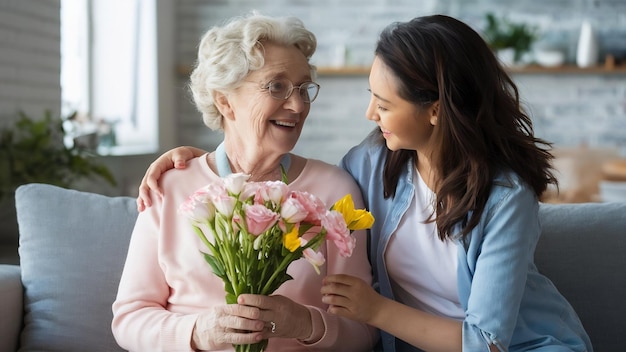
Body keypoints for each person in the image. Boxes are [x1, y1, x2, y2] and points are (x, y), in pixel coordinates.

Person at [136, 14, 593, 352]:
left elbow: (484, 341)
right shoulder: (370, 164)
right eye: (277, 86)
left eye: (383, 102)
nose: (369, 114)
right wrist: (197, 165)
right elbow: (262, 169)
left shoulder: (503, 198)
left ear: (435, 109)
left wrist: (356, 313)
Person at [111, 12, 378, 352]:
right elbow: (129, 318)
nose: (297, 105)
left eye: (304, 88)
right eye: (277, 86)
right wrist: (197, 332)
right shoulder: (171, 185)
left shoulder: (335, 190)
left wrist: (306, 323)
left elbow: (365, 331)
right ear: (224, 99)